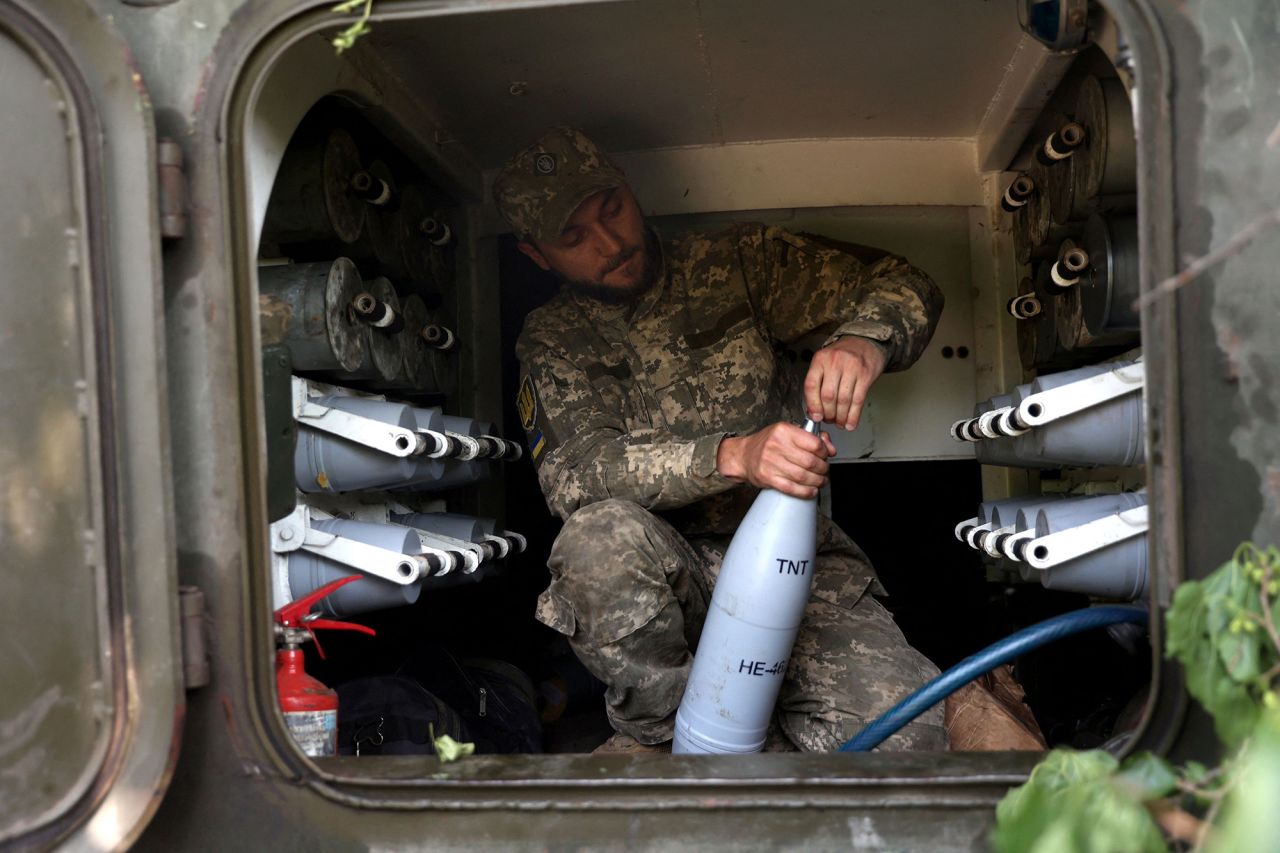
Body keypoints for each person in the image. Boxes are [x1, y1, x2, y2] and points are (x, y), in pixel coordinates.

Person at [496, 126, 947, 752]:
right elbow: (576, 475)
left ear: (629, 189)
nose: (610, 243)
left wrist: (864, 338)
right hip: (664, 585)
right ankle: (663, 742)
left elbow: (903, 281)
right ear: (536, 256)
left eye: (612, 211)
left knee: (909, 743)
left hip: (797, 572)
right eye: (574, 238)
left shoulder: (739, 263)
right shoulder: (553, 337)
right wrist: (733, 454)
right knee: (596, 541)